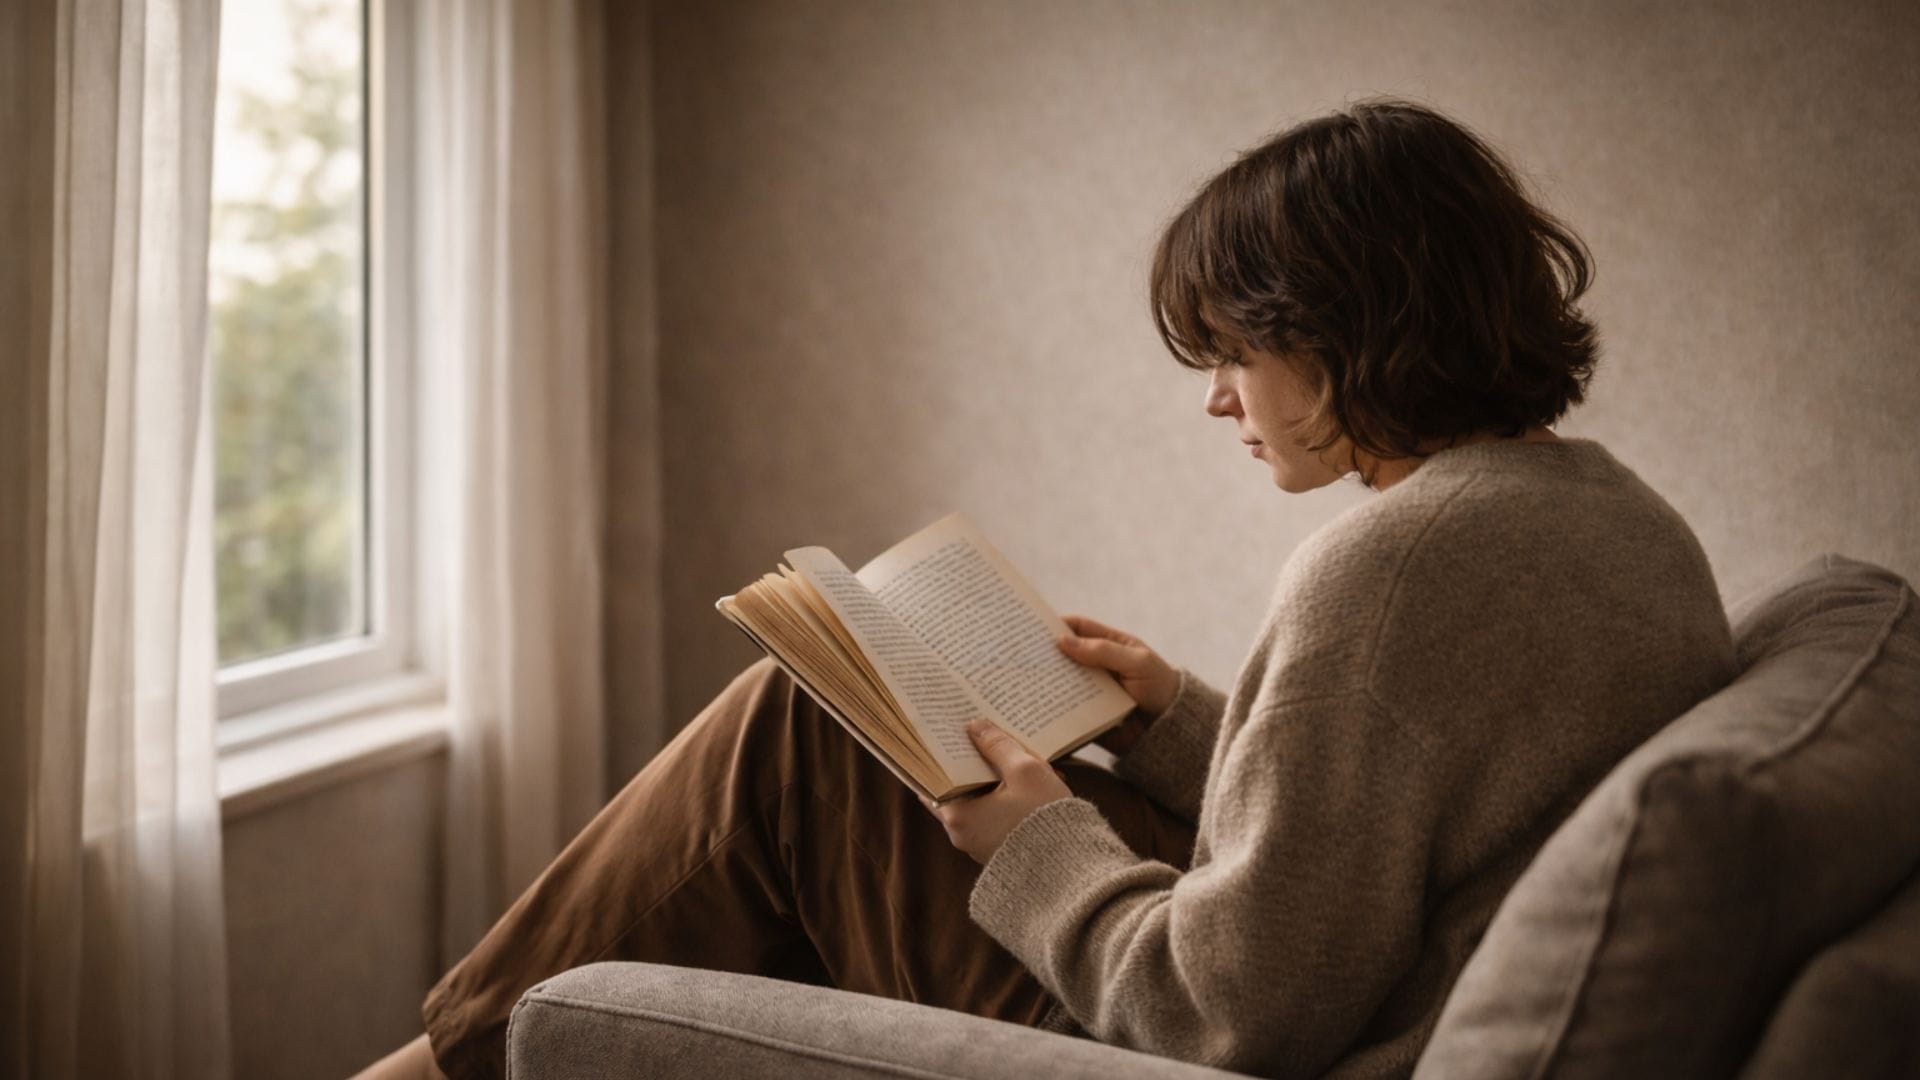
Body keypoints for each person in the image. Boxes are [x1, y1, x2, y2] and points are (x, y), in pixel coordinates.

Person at [356, 98, 1737, 1080]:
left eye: (1233, 353)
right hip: (1362, 993)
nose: (1215, 401)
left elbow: (1233, 1013)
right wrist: (1172, 721)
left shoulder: (1385, 568)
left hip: (1235, 1043)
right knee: (852, 725)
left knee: (804, 726)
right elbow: (1417, 820)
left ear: (1341, 338)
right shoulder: (1617, 517)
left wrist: (1032, 840)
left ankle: (438, 1067)